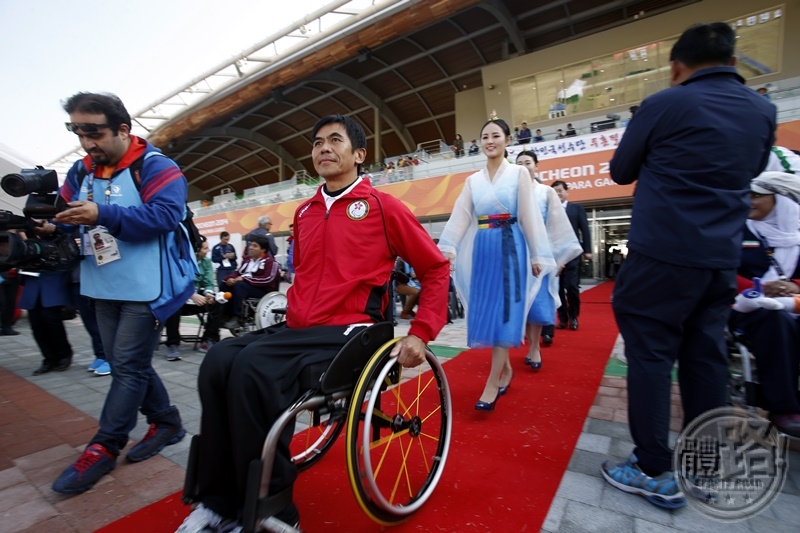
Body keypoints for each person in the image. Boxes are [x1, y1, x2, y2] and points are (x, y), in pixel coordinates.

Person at [176, 114, 449, 532]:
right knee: (218, 362)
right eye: (318, 141)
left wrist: (421, 332)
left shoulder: (383, 207)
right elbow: (303, 274)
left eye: (335, 140)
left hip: (353, 329)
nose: (324, 147)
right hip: (300, 327)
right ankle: (218, 501)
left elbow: (435, 269)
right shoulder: (303, 212)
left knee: (252, 370)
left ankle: (275, 507)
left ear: (359, 155)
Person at [601, 23, 776, 509]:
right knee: (706, 360)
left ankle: (653, 467)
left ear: (677, 67)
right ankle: (702, 468)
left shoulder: (664, 103)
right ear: (734, 62)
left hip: (662, 255)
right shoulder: (763, 110)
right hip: (721, 260)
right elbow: (753, 167)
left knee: (653, 356)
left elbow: (620, 170)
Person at [50, 92, 195, 494]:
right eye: (78, 132)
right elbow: (64, 213)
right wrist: (50, 225)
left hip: (149, 288)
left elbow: (167, 216)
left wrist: (102, 214)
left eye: (93, 132)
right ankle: (167, 422)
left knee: (126, 366)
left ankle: (105, 445)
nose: (86, 142)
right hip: (102, 284)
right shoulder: (81, 171)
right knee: (126, 361)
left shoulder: (157, 166)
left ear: (123, 129)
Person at [438, 118, 554, 412]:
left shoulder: (518, 174)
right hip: (484, 248)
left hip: (511, 246)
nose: (490, 140)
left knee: (505, 314)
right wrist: (448, 247)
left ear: (507, 140)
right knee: (488, 313)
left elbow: (528, 215)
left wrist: (538, 254)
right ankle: (506, 370)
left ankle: (493, 382)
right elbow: (462, 215)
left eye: (496, 135)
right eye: (485, 136)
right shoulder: (472, 180)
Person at [730, 170, 800, 438]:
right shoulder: (737, 230)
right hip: (744, 308)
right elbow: (722, 271)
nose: (749, 201)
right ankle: (783, 407)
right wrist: (758, 291)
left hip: (793, 304)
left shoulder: (796, 235)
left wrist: (794, 286)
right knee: (775, 320)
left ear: (782, 200)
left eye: (757, 196)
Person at [516, 152, 582, 367]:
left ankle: (535, 348)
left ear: (537, 166)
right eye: (519, 164)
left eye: (528, 163)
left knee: (538, 302)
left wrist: (558, 259)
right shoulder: (511, 193)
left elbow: (557, 227)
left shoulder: (546, 192)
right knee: (522, 303)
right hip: (516, 254)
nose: (524, 167)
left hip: (540, 255)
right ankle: (529, 342)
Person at [165, 238, 221, 357]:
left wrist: (208, 293)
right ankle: (173, 345)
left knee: (217, 302)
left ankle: (208, 339)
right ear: (196, 250)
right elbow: (176, 283)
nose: (208, 250)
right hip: (182, 296)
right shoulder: (181, 261)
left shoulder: (206, 262)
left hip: (199, 297)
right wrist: (190, 294)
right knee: (172, 306)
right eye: (205, 248)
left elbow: (208, 281)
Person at [550, 180, 591, 331]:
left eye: (560, 190)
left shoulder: (576, 208)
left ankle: (573, 316)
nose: (558, 193)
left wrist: (587, 250)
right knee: (558, 288)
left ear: (566, 192)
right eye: (554, 191)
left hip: (572, 254)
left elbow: (585, 230)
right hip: (555, 255)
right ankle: (563, 318)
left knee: (572, 286)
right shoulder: (549, 210)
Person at [19, 268, 74, 375]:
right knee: (36, 324)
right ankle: (49, 358)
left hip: (53, 278)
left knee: (51, 320)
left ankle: (64, 354)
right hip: (32, 279)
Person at [221, 234, 280, 328]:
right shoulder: (248, 261)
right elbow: (238, 272)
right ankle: (226, 315)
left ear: (263, 249)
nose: (251, 248)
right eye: (251, 245)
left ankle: (238, 317)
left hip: (262, 290)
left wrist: (245, 279)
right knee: (224, 285)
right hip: (246, 286)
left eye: (255, 246)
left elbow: (267, 279)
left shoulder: (271, 263)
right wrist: (230, 279)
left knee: (240, 285)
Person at [0, 267, 20, 336]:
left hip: (14, 278)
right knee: (3, 304)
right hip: (1, 277)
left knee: (11, 304)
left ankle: (7, 327)